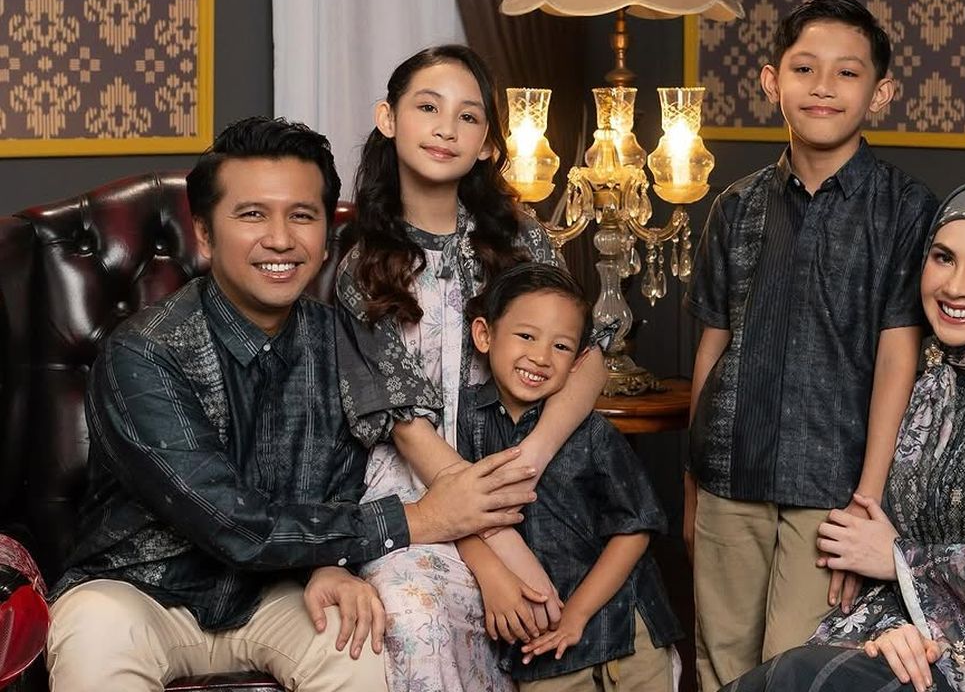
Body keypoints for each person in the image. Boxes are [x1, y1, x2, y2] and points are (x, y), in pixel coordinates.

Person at [45, 116, 538, 692]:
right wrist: (422, 518)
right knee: (93, 643)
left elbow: (357, 475)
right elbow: (231, 522)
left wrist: (327, 564)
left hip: (279, 591)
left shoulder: (344, 340)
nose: (280, 239)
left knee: (361, 650)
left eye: (302, 216)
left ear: (326, 236)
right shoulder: (145, 353)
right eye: (252, 214)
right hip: (139, 593)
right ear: (204, 234)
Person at [722, 181, 965, 692]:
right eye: (943, 258)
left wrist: (901, 560)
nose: (955, 286)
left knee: (799, 677)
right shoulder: (933, 378)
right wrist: (897, 628)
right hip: (921, 636)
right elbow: (896, 544)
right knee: (795, 675)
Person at [683, 0, 939, 689]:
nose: (823, 86)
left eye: (847, 73)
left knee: (794, 666)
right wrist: (692, 484)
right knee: (720, 664)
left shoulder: (906, 210)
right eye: (804, 68)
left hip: (832, 489)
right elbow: (712, 348)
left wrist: (868, 504)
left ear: (880, 93)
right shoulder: (735, 207)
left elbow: (897, 359)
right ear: (773, 81)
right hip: (728, 474)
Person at [335, 45, 608, 691]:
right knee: (418, 615)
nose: (445, 129)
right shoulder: (362, 265)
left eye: (467, 117)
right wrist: (495, 554)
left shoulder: (521, 239)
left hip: (523, 481)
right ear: (388, 118)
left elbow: (588, 357)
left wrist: (531, 459)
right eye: (428, 108)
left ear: (487, 144)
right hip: (416, 494)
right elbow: (407, 430)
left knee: (598, 615)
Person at [457, 262, 684, 691]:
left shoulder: (591, 431)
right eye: (526, 336)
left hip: (624, 625)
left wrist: (578, 614)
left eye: (561, 346)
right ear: (484, 335)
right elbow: (454, 517)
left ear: (579, 359)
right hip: (540, 646)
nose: (541, 357)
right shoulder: (464, 423)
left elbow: (636, 528)